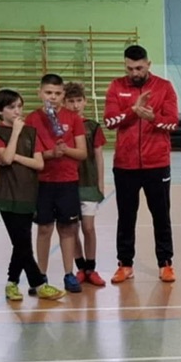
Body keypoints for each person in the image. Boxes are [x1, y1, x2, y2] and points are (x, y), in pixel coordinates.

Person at [103, 45, 179, 284]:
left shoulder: (164, 87)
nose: (134, 73)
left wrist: (153, 118)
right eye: (130, 68)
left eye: (139, 68)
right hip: (125, 166)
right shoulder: (116, 86)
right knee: (126, 216)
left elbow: (173, 123)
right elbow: (110, 121)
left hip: (157, 164)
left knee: (161, 215)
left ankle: (165, 263)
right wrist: (133, 111)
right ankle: (125, 264)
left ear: (148, 64)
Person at [0, 89, 63, 302]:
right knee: (22, 243)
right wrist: (15, 133)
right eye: (11, 107)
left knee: (21, 243)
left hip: (28, 193)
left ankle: (12, 283)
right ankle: (39, 283)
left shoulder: (31, 132)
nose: (17, 111)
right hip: (7, 194)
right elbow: (5, 158)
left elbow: (38, 163)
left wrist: (17, 156)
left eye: (19, 106)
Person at [27, 73, 87, 294]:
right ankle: (41, 276)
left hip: (68, 181)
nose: (52, 97)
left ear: (63, 95)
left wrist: (66, 150)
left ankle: (69, 273)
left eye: (57, 93)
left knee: (67, 228)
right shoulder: (32, 119)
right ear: (39, 93)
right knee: (44, 228)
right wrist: (50, 154)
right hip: (42, 182)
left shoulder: (74, 119)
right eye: (48, 92)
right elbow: (30, 153)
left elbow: (82, 153)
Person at [64, 82, 107, 287]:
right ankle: (80, 267)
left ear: (85, 102)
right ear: (64, 103)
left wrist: (100, 183)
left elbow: (98, 156)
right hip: (68, 183)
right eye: (71, 101)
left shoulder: (92, 126)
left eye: (78, 101)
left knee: (88, 227)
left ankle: (91, 267)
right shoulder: (61, 127)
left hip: (88, 183)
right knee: (72, 229)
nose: (75, 105)